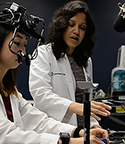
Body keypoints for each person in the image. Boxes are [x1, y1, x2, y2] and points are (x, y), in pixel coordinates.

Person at [0, 2, 109, 144]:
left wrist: (79, 132)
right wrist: (67, 142)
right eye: (17, 43)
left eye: (24, 45)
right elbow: (4, 137)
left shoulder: (8, 89)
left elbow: (37, 121)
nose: (23, 51)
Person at [29, 0, 112, 128]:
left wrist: (94, 125)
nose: (76, 31)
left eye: (82, 27)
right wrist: (76, 107)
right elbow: (40, 94)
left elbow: (86, 102)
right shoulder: (44, 53)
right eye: (71, 24)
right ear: (62, 25)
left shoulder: (85, 61)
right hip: (53, 132)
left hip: (83, 133)